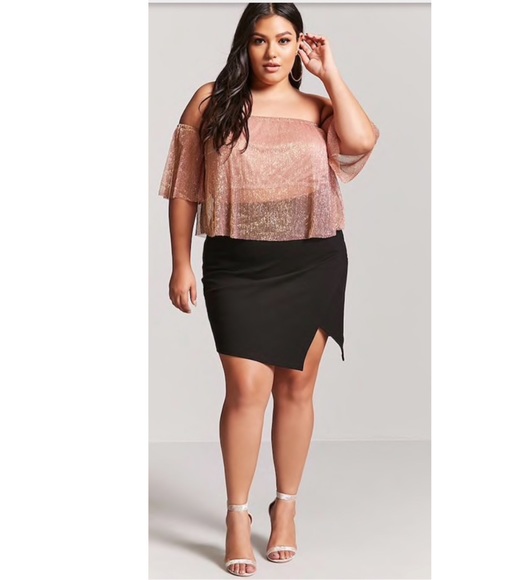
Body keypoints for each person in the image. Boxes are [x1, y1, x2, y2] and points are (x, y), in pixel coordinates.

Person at [158, 3, 379, 576]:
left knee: (297, 387)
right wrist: (180, 263)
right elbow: (185, 189)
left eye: (284, 39)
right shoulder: (211, 101)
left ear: (300, 45)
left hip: (313, 259)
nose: (272, 52)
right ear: (245, 45)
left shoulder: (318, 107)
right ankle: (237, 515)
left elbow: (361, 141)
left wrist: (331, 73)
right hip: (235, 264)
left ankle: (286, 506)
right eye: (260, 40)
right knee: (244, 388)